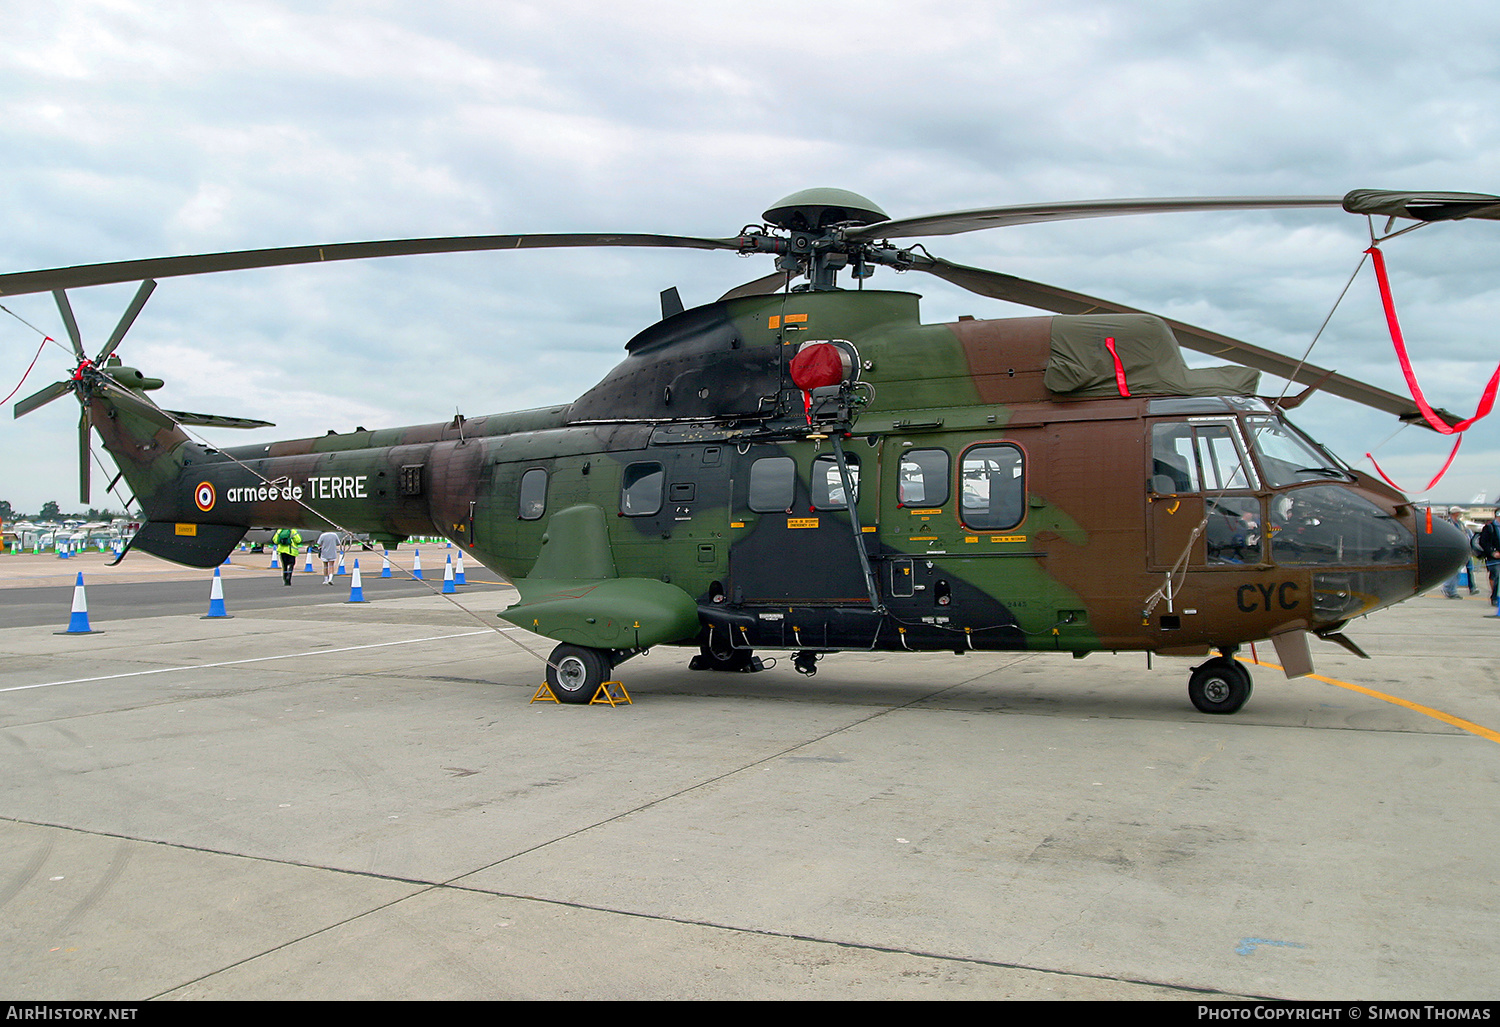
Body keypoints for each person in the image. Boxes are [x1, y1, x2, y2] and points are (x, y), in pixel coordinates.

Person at [1442, 507, 1477, 599]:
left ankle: (1453, 590)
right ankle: (1449, 589)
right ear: (1455, 513)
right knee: (1452, 571)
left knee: (1457, 572)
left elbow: (1467, 535)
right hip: (1452, 551)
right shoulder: (1448, 524)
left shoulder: (1461, 525)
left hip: (1462, 550)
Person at [1476, 508, 1500, 608]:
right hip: (1493, 557)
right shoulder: (1489, 527)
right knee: (1495, 575)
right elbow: (1483, 542)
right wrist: (1492, 552)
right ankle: (1494, 597)